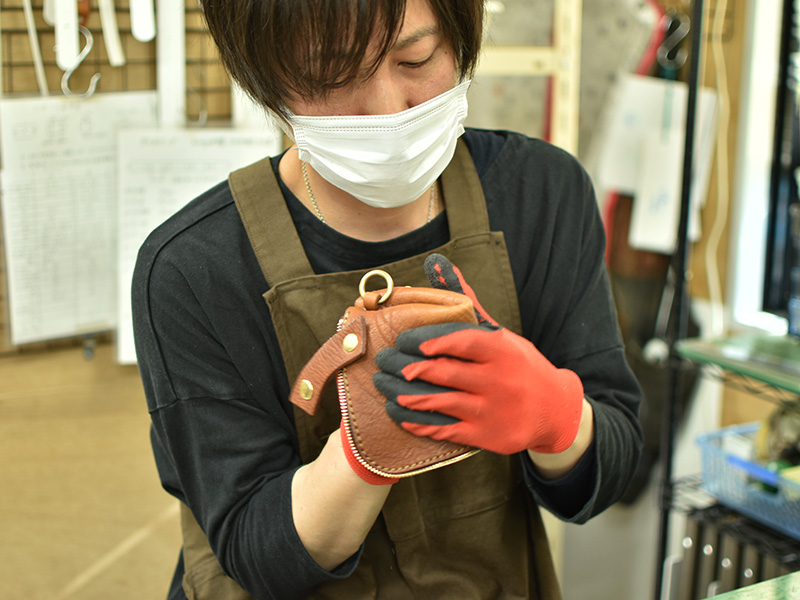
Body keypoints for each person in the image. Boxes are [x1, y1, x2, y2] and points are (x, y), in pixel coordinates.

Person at [131, 1, 643, 598]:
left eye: (416, 59)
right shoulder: (193, 268)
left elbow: (613, 469)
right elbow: (254, 556)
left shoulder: (541, 194)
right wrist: (364, 452)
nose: (387, 109)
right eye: (331, 74)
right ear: (266, 77)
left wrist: (556, 417)